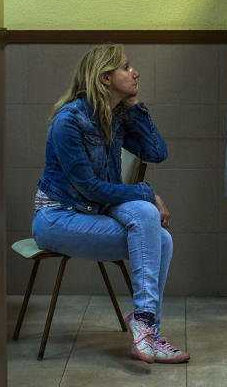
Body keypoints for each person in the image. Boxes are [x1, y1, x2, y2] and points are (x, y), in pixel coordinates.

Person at [31, 43, 189, 363]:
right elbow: (89, 188)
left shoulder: (112, 117)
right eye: (126, 67)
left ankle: (144, 324)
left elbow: (156, 153)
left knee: (161, 236)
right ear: (105, 78)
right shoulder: (69, 120)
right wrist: (149, 194)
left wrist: (133, 106)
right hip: (57, 218)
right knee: (152, 224)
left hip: (93, 213)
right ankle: (147, 327)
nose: (136, 72)